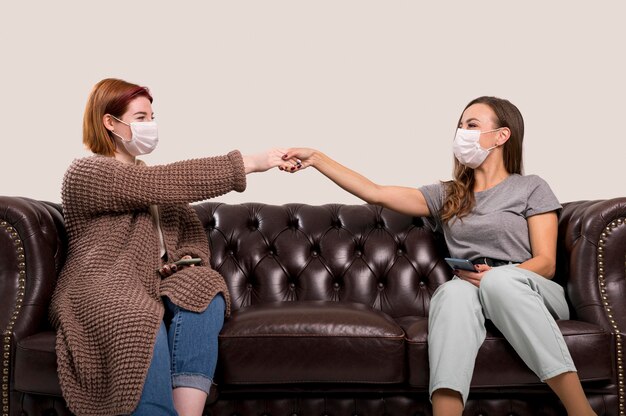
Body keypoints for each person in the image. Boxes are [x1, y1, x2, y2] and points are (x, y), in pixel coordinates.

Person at [280, 96, 597, 416]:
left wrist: (497, 276)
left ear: (501, 136)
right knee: (451, 293)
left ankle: (580, 411)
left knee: (500, 284)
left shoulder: (531, 188)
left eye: (472, 125)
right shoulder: (448, 195)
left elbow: (546, 262)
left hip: (530, 289)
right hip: (470, 287)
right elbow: (374, 192)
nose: (462, 133)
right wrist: (317, 158)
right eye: (460, 126)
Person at [49, 78, 299, 416]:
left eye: (152, 116)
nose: (150, 125)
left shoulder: (153, 182)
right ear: (110, 122)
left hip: (157, 282)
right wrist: (249, 163)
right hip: (103, 284)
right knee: (137, 314)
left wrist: (185, 261)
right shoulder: (87, 172)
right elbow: (151, 185)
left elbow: (191, 234)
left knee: (205, 284)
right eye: (140, 118)